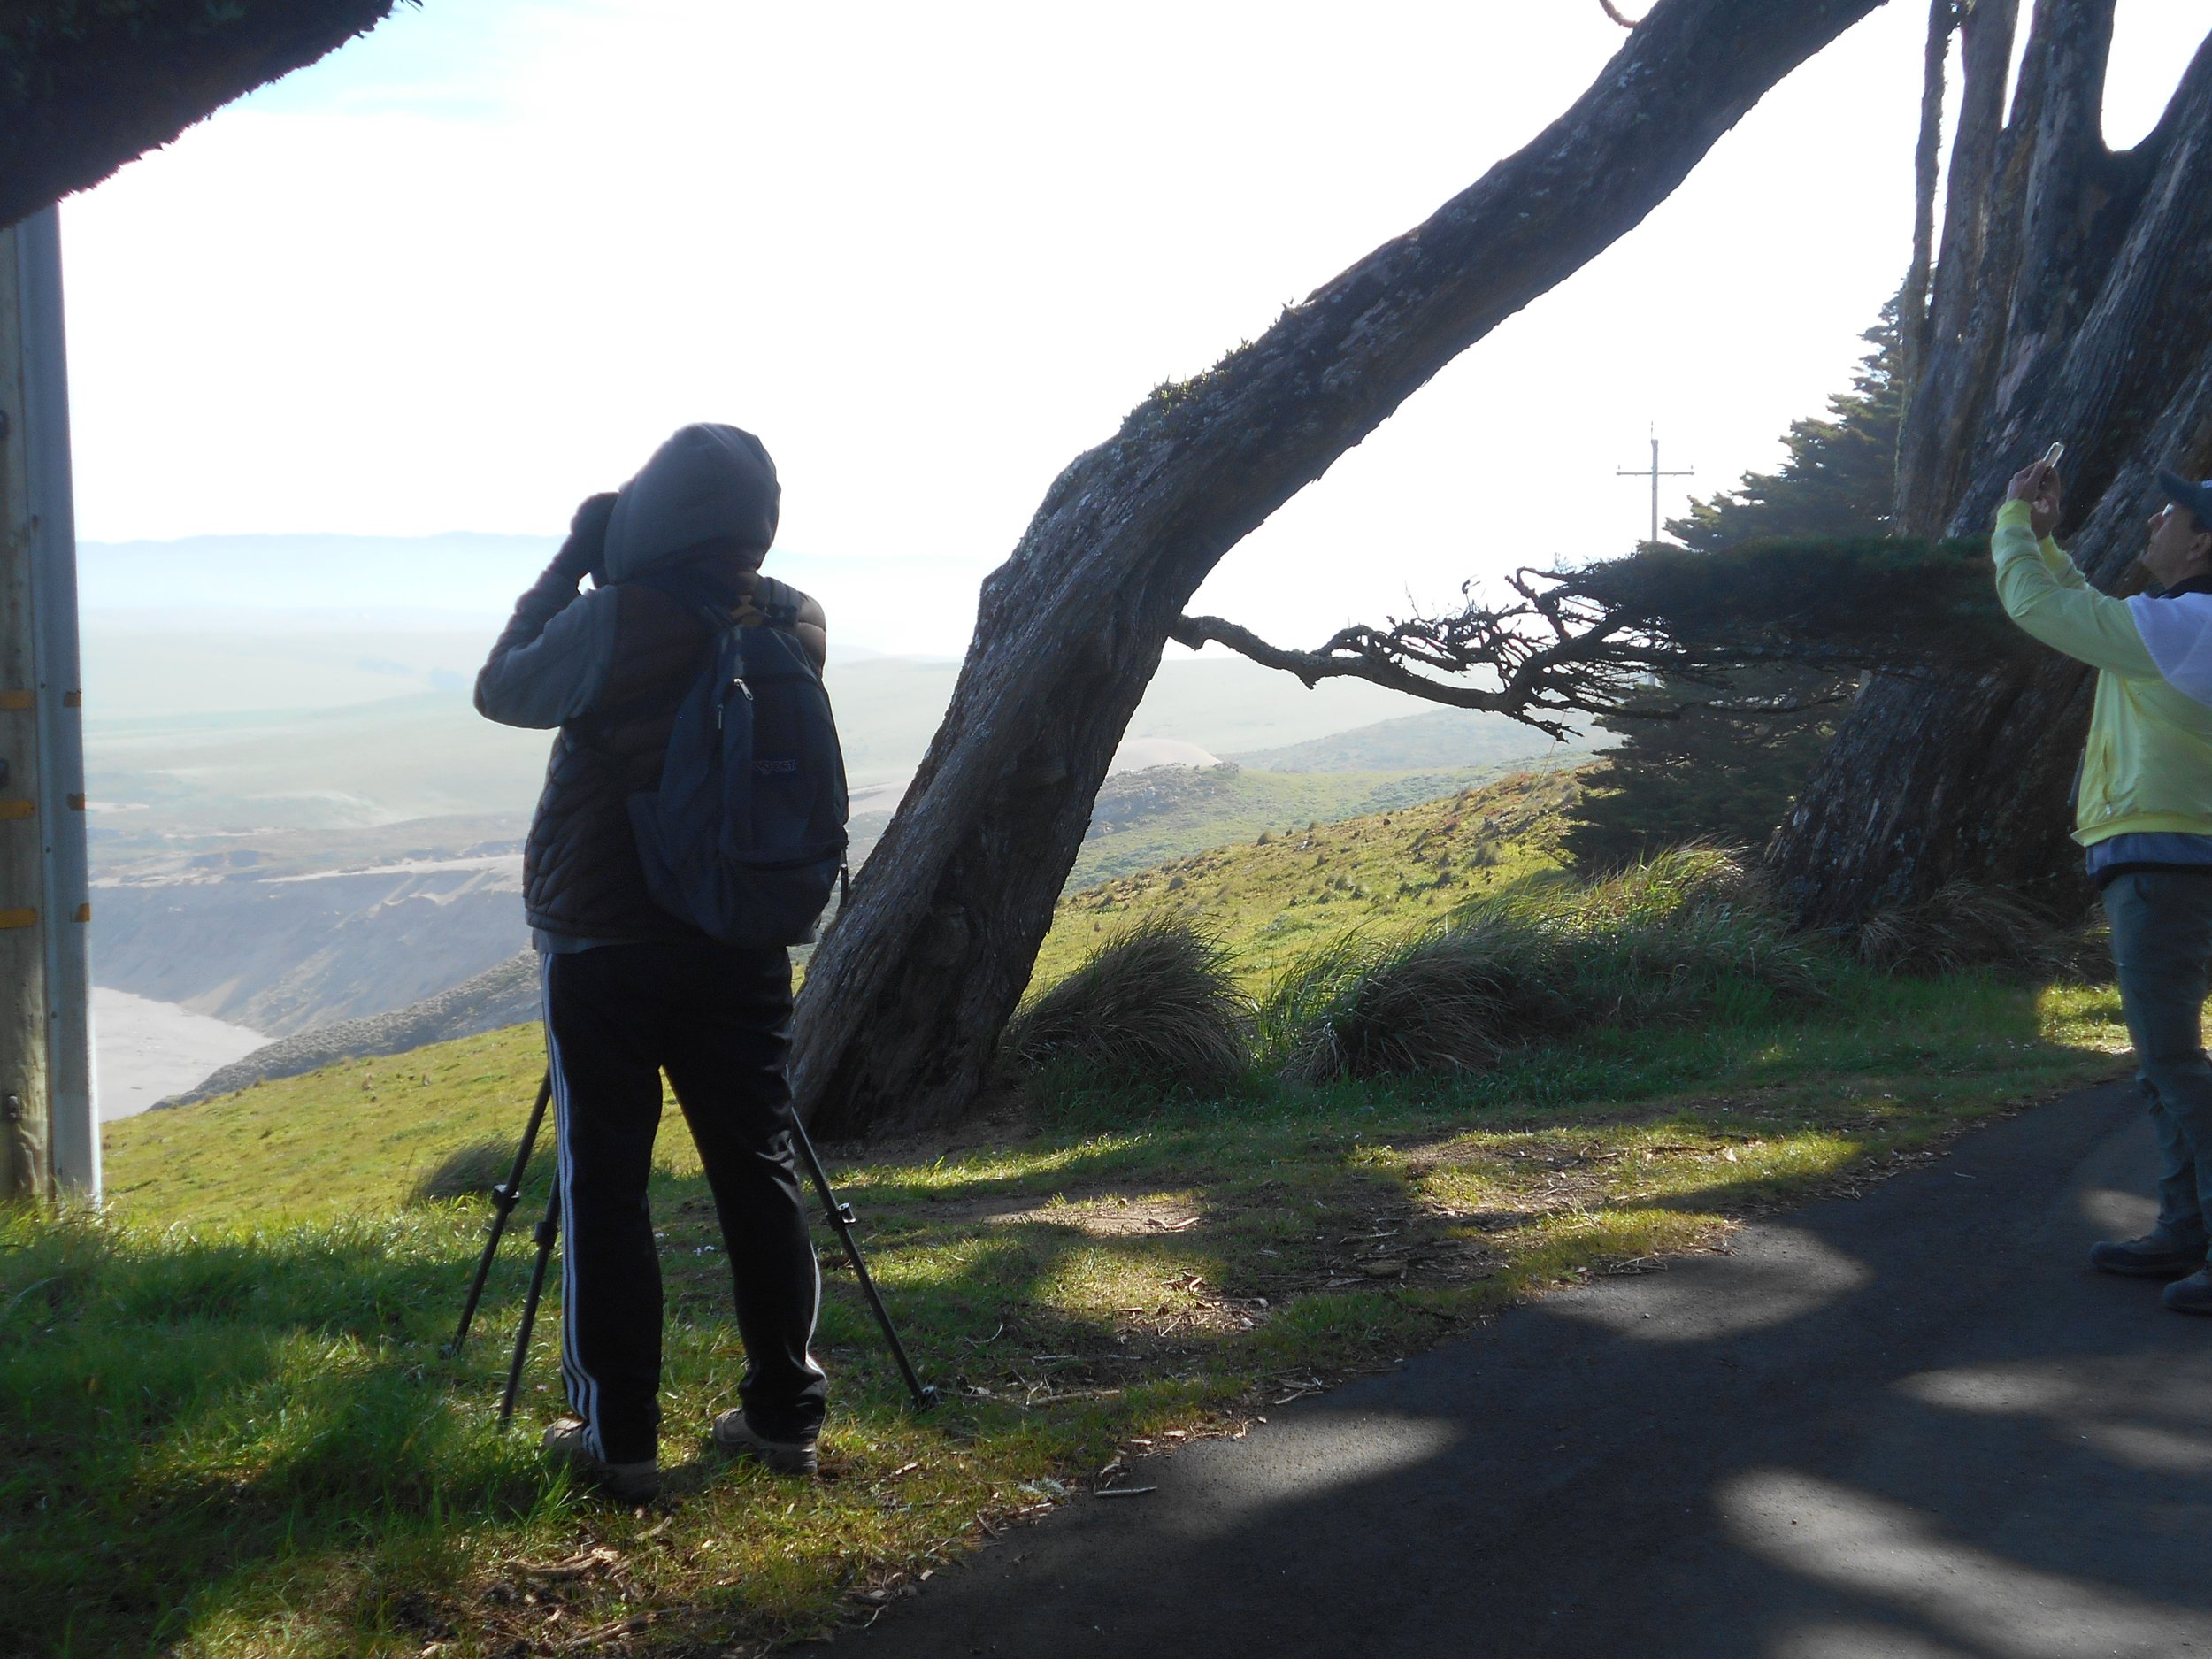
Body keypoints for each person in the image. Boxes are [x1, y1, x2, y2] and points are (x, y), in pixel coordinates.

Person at [476, 423, 832, 1499]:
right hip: (739, 935)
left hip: (606, 938)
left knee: (607, 1183)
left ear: (653, 509)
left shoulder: (614, 615)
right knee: (758, 1167)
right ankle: (784, 1419)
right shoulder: (795, 620)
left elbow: (504, 688)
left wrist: (575, 559)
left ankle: (617, 1436)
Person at [1994, 457, 2212, 1315]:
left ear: (2202, 545)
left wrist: (2014, 525)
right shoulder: (2176, 623)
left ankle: (2198, 1228)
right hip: (2167, 857)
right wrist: (2052, 544)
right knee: (2163, 1064)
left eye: (2174, 513)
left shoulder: (2187, 624)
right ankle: (2185, 1226)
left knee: (2170, 1061)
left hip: (2166, 863)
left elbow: (2042, 610)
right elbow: (2086, 607)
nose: (2156, 518)